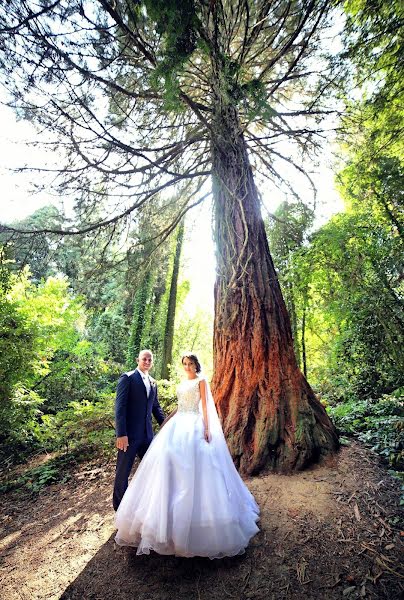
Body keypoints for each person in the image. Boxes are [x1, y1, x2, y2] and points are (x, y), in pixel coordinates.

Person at [115, 353, 260, 558]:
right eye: (184, 363)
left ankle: (197, 520)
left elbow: (205, 407)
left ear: (196, 365)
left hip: (193, 424)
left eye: (190, 363)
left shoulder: (201, 381)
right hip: (177, 424)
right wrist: (165, 422)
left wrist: (207, 428)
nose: (187, 366)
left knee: (196, 463)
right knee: (165, 460)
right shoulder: (179, 383)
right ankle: (160, 515)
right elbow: (178, 406)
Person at [113, 349, 165, 511]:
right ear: (138, 360)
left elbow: (155, 407)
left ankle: (147, 505)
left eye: (150, 360)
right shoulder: (127, 378)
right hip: (128, 436)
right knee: (123, 473)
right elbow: (120, 408)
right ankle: (120, 509)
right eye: (144, 359)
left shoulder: (153, 382)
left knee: (152, 470)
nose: (147, 362)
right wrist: (121, 434)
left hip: (147, 436)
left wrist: (166, 425)